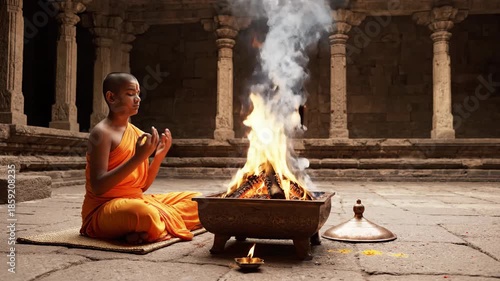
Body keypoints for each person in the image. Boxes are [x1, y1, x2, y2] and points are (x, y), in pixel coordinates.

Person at [80, 72, 202, 244]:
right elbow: (99, 186)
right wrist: (138, 158)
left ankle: (146, 230)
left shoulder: (137, 133)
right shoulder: (101, 133)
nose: (137, 99)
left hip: (136, 200)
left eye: (138, 93)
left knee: (198, 200)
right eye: (130, 94)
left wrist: (158, 157)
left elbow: (142, 186)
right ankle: (150, 226)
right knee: (145, 215)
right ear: (111, 97)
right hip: (104, 209)